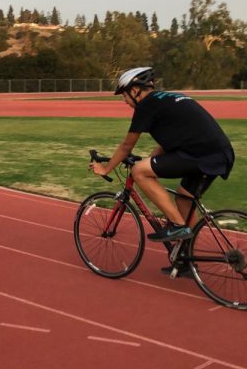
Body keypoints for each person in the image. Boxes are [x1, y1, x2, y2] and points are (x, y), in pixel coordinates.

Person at [89, 67, 235, 251]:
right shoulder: (167, 99)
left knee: (139, 171)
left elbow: (127, 146)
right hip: (218, 153)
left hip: (201, 155)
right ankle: (185, 257)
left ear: (135, 90)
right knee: (183, 198)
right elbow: (171, 140)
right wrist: (151, 159)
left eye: (124, 95)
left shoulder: (146, 105)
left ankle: (176, 225)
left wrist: (106, 168)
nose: (124, 100)